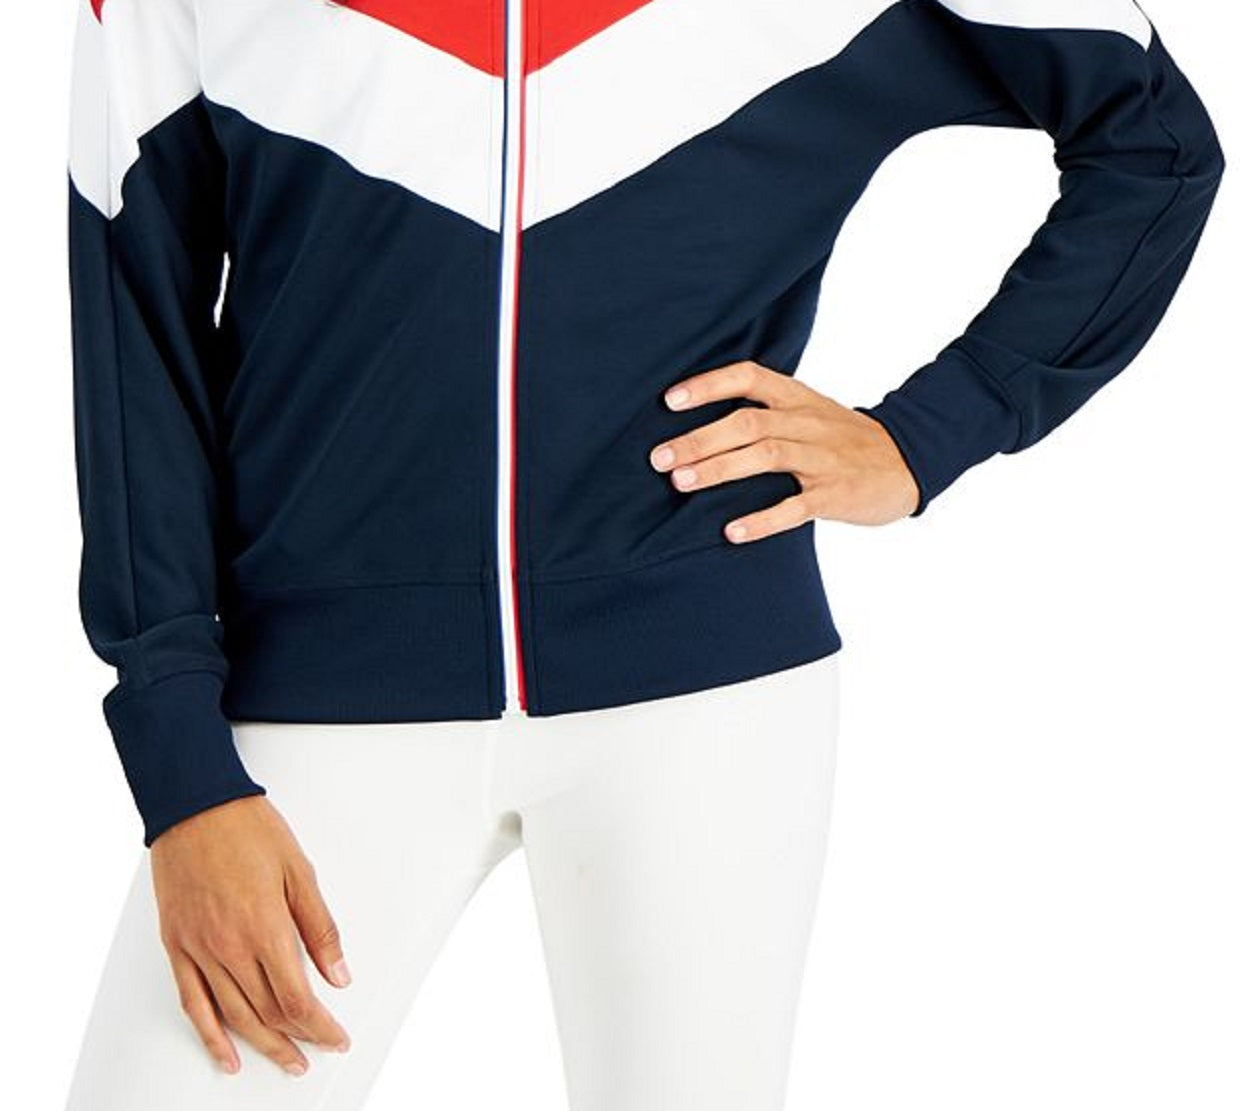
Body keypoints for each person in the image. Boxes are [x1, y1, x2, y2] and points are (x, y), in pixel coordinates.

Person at [62, 1, 1224, 1108]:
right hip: (311, 704)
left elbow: (1154, 142)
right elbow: (134, 331)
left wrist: (922, 437)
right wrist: (182, 776)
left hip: (706, 705)